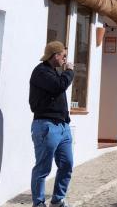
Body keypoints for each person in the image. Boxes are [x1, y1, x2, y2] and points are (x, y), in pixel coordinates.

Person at [29, 41, 75, 207]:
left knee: (67, 164)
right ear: (55, 55)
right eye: (64, 55)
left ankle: (57, 200)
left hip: (62, 127)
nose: (65, 59)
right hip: (46, 126)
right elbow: (59, 86)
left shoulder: (54, 72)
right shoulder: (41, 72)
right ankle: (39, 203)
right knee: (43, 169)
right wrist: (69, 71)